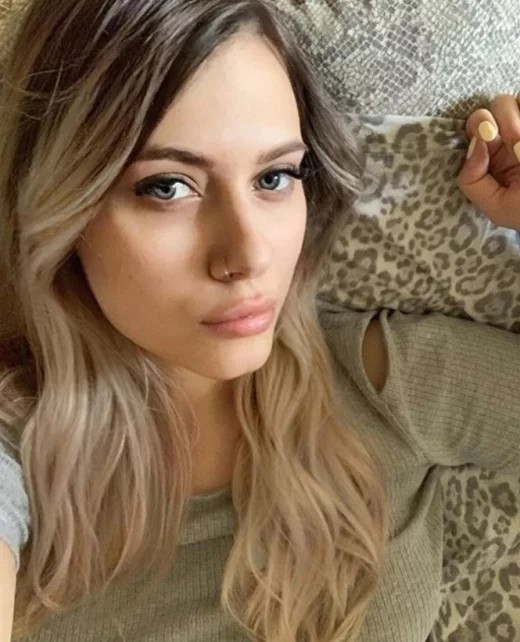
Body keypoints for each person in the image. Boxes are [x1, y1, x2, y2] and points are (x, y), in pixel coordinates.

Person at [0, 1, 518, 641]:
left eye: (274, 177)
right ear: (61, 205)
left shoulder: (392, 390)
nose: (248, 256)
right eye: (167, 187)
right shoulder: (18, 448)